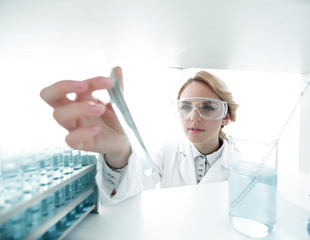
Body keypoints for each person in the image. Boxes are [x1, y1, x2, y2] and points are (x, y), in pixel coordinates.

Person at [40, 66, 239, 204]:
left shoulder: (241, 163)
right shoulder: (167, 150)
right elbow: (130, 193)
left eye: (208, 107)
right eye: (185, 107)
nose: (193, 117)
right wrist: (118, 153)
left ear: (226, 116)